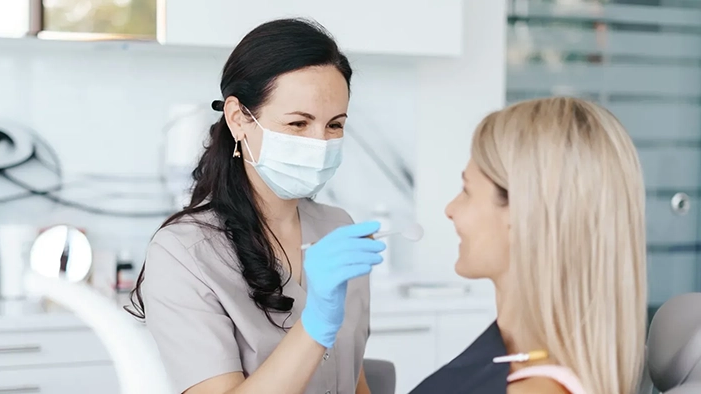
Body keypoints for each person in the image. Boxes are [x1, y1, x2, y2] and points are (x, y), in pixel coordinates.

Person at [127, 18, 385, 394]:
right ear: (238, 119)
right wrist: (315, 324)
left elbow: (353, 379)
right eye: (298, 123)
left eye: (335, 125)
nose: (320, 142)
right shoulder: (184, 253)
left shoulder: (338, 230)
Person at [409, 97, 647, 393]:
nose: (450, 208)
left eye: (466, 191)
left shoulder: (535, 387)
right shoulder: (513, 348)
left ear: (522, 212)